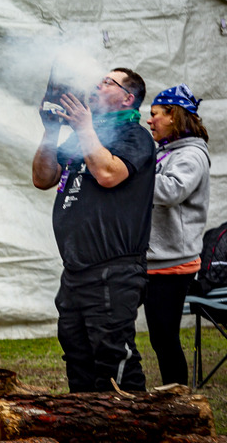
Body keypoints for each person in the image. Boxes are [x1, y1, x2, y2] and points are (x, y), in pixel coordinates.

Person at [32, 67, 155, 393]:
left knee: (114, 357)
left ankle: (133, 433)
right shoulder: (81, 137)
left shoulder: (135, 136)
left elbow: (108, 174)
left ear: (127, 98)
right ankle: (89, 432)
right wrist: (51, 132)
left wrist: (84, 126)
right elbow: (43, 178)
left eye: (107, 82)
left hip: (114, 270)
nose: (97, 86)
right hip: (75, 271)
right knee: (77, 354)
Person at [144, 84, 211, 386]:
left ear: (173, 116)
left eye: (155, 114)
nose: (150, 121)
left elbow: (171, 190)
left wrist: (130, 177)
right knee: (156, 336)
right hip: (154, 260)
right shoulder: (167, 151)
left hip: (172, 262)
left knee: (164, 337)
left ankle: (180, 402)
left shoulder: (192, 155)